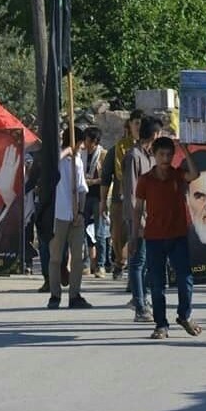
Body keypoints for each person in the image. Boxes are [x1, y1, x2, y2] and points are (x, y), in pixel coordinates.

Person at [130, 137, 201, 339]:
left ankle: (184, 315)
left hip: (178, 235)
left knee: (185, 278)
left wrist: (185, 150)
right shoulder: (145, 180)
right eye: (161, 154)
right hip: (154, 237)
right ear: (154, 155)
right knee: (157, 283)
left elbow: (194, 174)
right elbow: (138, 209)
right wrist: (135, 236)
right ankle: (161, 324)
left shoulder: (178, 175)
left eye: (169, 155)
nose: (165, 158)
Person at [123, 115, 162, 323]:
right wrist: (136, 223)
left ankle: (142, 297)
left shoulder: (152, 156)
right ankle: (140, 305)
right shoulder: (134, 156)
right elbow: (130, 192)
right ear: (154, 134)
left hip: (154, 216)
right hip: (139, 218)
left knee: (151, 262)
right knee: (138, 261)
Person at [48, 127, 91, 309]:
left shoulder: (78, 162)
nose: (81, 147)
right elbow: (51, 164)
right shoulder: (59, 159)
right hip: (59, 214)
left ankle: (74, 295)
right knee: (56, 258)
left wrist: (81, 212)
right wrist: (67, 150)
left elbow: (82, 189)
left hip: (75, 215)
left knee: (77, 258)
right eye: (79, 143)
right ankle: (54, 295)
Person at [101, 111, 143, 280]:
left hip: (144, 196)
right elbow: (106, 177)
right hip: (121, 196)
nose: (139, 127)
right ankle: (120, 261)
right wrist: (103, 201)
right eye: (136, 123)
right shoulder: (118, 149)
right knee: (119, 233)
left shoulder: (150, 148)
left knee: (140, 233)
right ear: (129, 125)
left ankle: (135, 270)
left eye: (142, 123)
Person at [81, 127, 108, 278]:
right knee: (82, 231)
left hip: (98, 196)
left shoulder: (103, 155)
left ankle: (100, 265)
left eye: (89, 140)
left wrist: (93, 181)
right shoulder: (81, 154)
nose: (86, 143)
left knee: (99, 232)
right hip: (84, 196)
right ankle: (86, 263)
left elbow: (106, 178)